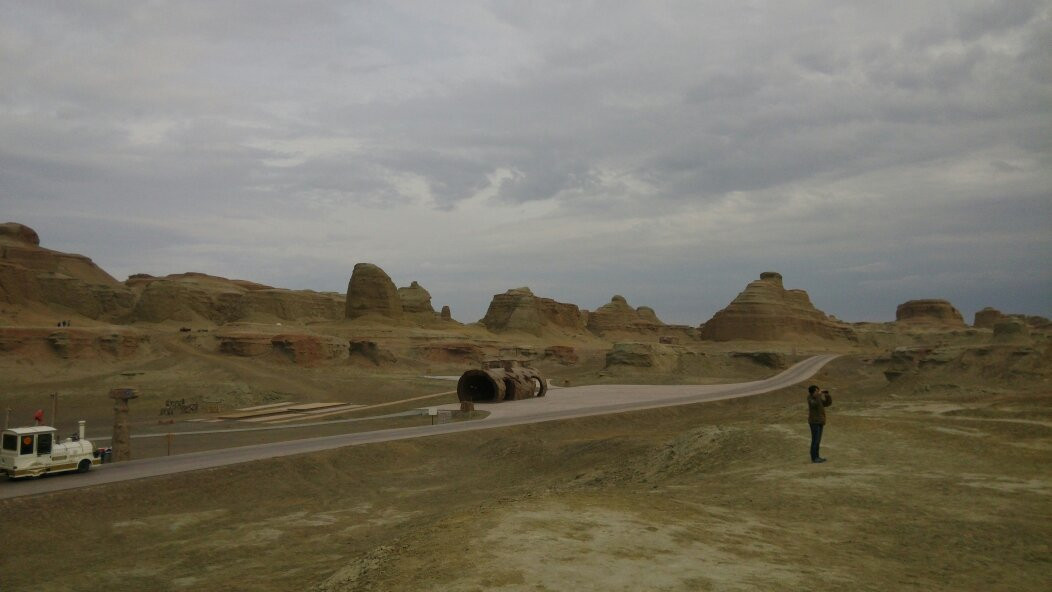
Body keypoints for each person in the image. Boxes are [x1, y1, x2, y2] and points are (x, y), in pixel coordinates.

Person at [807, 385, 832, 463]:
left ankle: (817, 457)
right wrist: (818, 396)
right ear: (813, 392)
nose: (818, 392)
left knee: (817, 440)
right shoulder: (810, 398)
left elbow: (827, 404)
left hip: (820, 421)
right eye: (817, 391)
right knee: (815, 440)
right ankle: (814, 458)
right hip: (814, 422)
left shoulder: (817, 398)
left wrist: (827, 396)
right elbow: (815, 404)